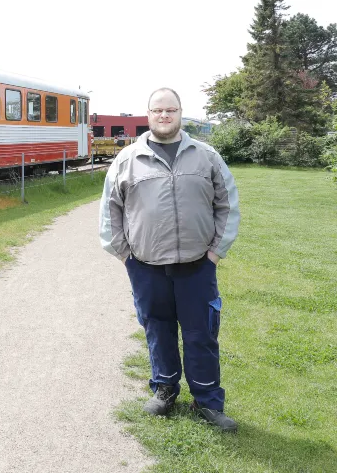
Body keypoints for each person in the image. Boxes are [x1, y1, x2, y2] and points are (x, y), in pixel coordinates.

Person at [98, 88, 240, 432]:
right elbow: (110, 211)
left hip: (197, 266)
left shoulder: (206, 156)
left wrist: (215, 254)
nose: (164, 115)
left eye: (171, 110)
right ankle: (164, 390)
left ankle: (207, 400)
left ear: (180, 113)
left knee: (201, 334)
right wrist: (125, 256)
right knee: (157, 329)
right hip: (146, 267)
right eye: (158, 110)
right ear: (148, 114)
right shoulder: (128, 159)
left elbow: (227, 205)